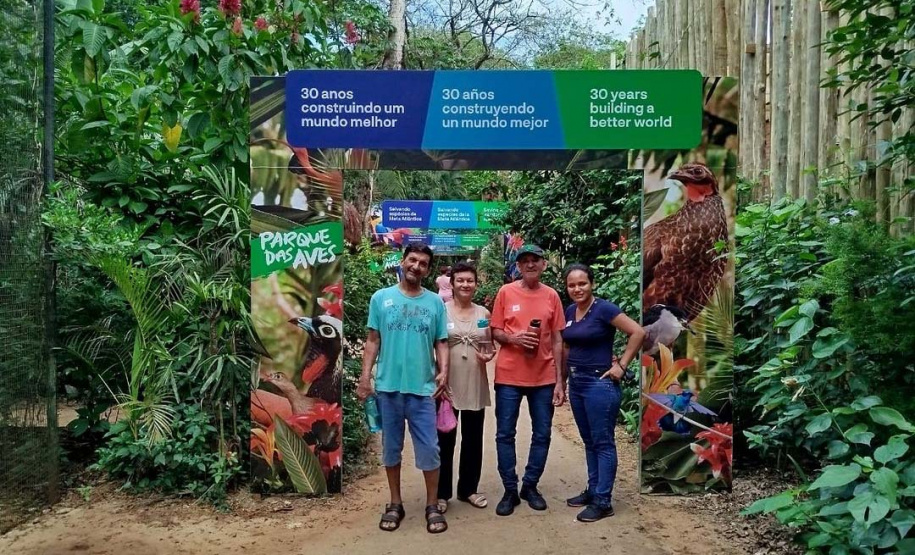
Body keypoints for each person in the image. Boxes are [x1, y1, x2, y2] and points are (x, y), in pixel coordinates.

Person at [357, 244, 450, 534]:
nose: (416, 266)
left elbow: (441, 341)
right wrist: (364, 376)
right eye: (413, 260)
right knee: (391, 449)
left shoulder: (435, 302)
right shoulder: (381, 298)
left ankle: (432, 505)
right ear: (403, 261)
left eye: (423, 263)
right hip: (388, 388)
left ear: (428, 269)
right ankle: (395, 503)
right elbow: (373, 340)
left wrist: (443, 370)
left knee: (430, 450)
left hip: (422, 390)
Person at [560, 263, 645, 522]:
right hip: (577, 384)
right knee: (589, 441)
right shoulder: (571, 310)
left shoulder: (604, 308)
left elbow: (638, 332)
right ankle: (594, 490)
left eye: (582, 283)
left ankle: (603, 500)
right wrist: (562, 381)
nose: (577, 289)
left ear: (592, 284)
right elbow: (566, 346)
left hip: (600, 384)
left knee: (603, 442)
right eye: (572, 285)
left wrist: (622, 365)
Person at [490, 244, 566, 516]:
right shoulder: (506, 292)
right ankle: (510, 489)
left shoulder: (552, 296)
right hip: (509, 375)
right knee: (505, 434)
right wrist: (514, 338)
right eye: (525, 261)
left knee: (542, 433)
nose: (530, 265)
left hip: (543, 377)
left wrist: (560, 380)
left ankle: (530, 485)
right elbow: (495, 330)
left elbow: (558, 339)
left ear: (543, 264)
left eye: (536, 260)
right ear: (518, 266)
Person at [436, 261, 494, 514]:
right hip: (446, 385)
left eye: (470, 280)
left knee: (473, 439)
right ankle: (441, 493)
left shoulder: (483, 313)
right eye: (460, 280)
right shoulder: (441, 311)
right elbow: (433, 346)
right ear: (452, 283)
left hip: (475, 382)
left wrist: (489, 354)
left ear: (476, 285)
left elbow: (488, 344)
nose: (465, 284)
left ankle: (468, 489)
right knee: (444, 439)